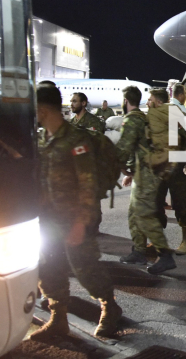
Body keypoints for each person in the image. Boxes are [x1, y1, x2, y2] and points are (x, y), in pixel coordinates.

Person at [31, 85, 121, 340]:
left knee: (85, 267)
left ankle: (109, 306)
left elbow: (88, 183)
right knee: (48, 267)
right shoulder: (42, 138)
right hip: (48, 217)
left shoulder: (76, 140)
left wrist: (81, 222)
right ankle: (58, 317)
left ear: (43, 109)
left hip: (74, 217)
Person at [115, 85, 176, 274]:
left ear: (125, 101)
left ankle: (165, 255)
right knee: (135, 213)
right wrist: (130, 171)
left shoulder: (132, 120)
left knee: (143, 214)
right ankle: (139, 252)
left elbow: (123, 149)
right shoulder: (142, 118)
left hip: (148, 174)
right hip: (144, 171)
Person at [148, 88, 186, 254]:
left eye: (150, 99)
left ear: (159, 102)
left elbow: (183, 138)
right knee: (155, 203)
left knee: (179, 204)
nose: (148, 102)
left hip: (175, 169)